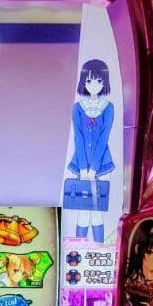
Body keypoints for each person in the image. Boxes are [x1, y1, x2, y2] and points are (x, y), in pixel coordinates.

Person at [66, 58, 115, 243]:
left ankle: (98, 251)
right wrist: (83, 168)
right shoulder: (77, 108)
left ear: (104, 82)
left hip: (103, 165)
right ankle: (78, 251)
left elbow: (104, 138)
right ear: (83, 82)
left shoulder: (108, 107)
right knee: (83, 210)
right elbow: (78, 138)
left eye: (98, 81)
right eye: (89, 81)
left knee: (97, 210)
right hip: (80, 164)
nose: (93, 85)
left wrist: (93, 167)